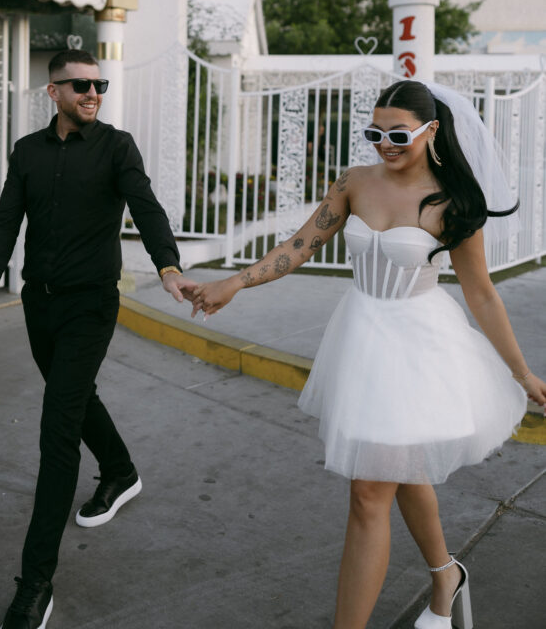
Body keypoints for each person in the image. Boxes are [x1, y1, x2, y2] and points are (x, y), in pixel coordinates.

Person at [190, 79, 546, 629]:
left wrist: (521, 373)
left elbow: (480, 292)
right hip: (361, 340)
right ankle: (445, 577)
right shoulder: (355, 182)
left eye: (398, 133)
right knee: (400, 473)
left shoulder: (453, 200)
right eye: (374, 132)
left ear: (430, 131)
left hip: (419, 348)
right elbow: (300, 245)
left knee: (370, 491)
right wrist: (236, 283)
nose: (385, 143)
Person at [0, 49, 196, 629]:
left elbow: (145, 206)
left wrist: (167, 264)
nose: (94, 93)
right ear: (54, 94)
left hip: (92, 304)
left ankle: (35, 583)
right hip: (40, 305)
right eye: (81, 86)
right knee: (76, 398)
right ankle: (119, 470)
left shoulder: (116, 146)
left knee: (58, 424)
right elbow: (5, 220)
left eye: (100, 84)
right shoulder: (27, 152)